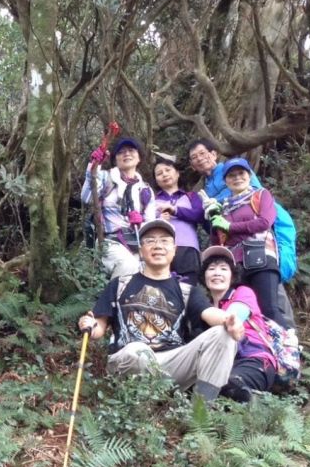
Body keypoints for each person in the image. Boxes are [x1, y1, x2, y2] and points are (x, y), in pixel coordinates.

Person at [77, 219, 243, 402]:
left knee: (223, 334)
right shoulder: (120, 285)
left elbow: (209, 313)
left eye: (164, 241)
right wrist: (90, 326)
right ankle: (139, 403)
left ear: (174, 250)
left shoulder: (187, 291)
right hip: (130, 358)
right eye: (150, 241)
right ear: (141, 250)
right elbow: (99, 326)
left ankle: (200, 414)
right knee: (137, 351)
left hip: (171, 363)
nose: (157, 246)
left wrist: (228, 321)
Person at [207, 158, 288, 328]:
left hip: (261, 257)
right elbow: (218, 241)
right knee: (243, 310)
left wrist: (230, 226)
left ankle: (287, 348)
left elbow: (264, 222)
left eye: (241, 173)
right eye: (231, 175)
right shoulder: (223, 206)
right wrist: (214, 222)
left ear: (249, 175)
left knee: (269, 308)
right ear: (225, 181)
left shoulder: (260, 195)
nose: (237, 178)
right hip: (236, 263)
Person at [199, 246, 277, 402]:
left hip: (254, 359)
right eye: (211, 269)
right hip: (222, 364)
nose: (217, 273)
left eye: (223, 269)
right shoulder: (204, 306)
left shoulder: (243, 293)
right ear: (204, 276)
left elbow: (232, 319)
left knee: (229, 386)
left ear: (232, 275)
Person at [82, 137, 153, 278]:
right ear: (115, 159)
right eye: (121, 152)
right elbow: (87, 197)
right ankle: (114, 299)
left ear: (139, 157)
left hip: (136, 243)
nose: (126, 154)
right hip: (110, 240)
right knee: (129, 266)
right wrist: (93, 167)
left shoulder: (145, 190)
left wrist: (141, 223)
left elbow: (150, 224)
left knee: (147, 273)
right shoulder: (105, 177)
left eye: (131, 150)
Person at [144, 152, 205, 284]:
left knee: (187, 290)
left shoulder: (191, 196)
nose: (164, 174)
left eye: (168, 170)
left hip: (187, 249)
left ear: (177, 173)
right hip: (160, 250)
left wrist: (175, 210)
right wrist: (159, 219)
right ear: (156, 180)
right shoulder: (152, 200)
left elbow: (199, 215)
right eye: (159, 173)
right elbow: (145, 223)